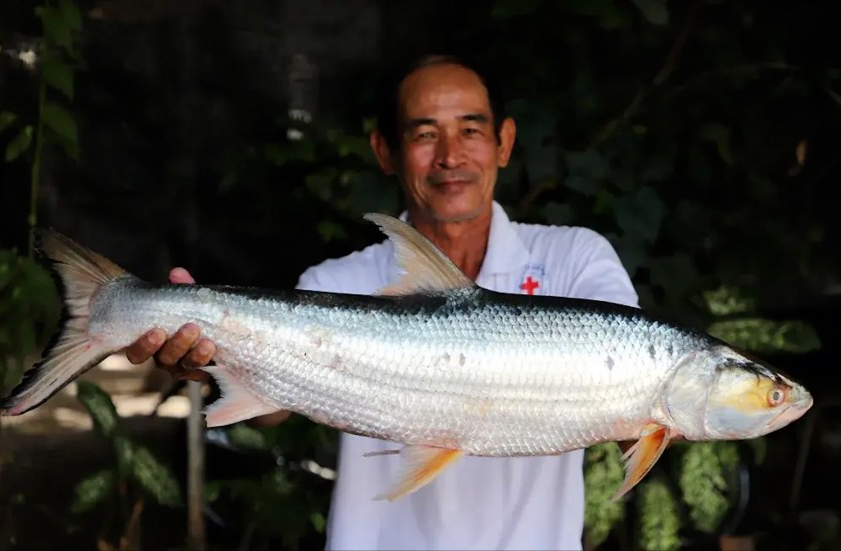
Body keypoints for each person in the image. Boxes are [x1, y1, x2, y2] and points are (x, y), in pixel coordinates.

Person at [124, 54, 639, 550]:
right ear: (385, 151)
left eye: (471, 129)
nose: (450, 156)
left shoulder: (577, 260)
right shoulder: (337, 279)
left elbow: (648, 403)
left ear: (504, 142)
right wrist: (212, 359)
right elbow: (272, 408)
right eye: (424, 134)